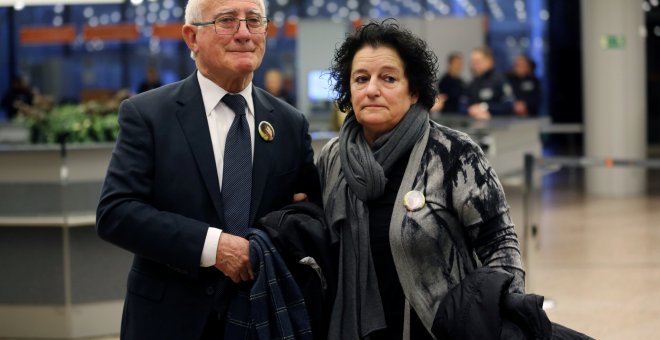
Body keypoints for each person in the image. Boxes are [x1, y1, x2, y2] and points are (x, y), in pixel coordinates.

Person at [95, 0, 321, 338]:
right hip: (170, 320)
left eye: (254, 21)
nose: (244, 33)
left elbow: (309, 214)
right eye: (227, 20)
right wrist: (215, 248)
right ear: (191, 37)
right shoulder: (148, 115)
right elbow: (116, 213)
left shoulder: (289, 123)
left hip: (262, 315)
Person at [319, 20, 527, 339]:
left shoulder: (453, 153)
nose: (372, 88)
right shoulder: (334, 157)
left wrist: (498, 320)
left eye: (388, 78)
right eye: (361, 79)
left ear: (413, 90)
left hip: (438, 330)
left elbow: (500, 243)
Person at [463, 46, 515, 120]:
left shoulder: (500, 80)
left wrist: (485, 107)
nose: (475, 65)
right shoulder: (472, 83)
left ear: (489, 61)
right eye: (473, 62)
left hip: (499, 126)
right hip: (475, 125)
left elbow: (509, 105)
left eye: (478, 61)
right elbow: (462, 105)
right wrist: (471, 111)